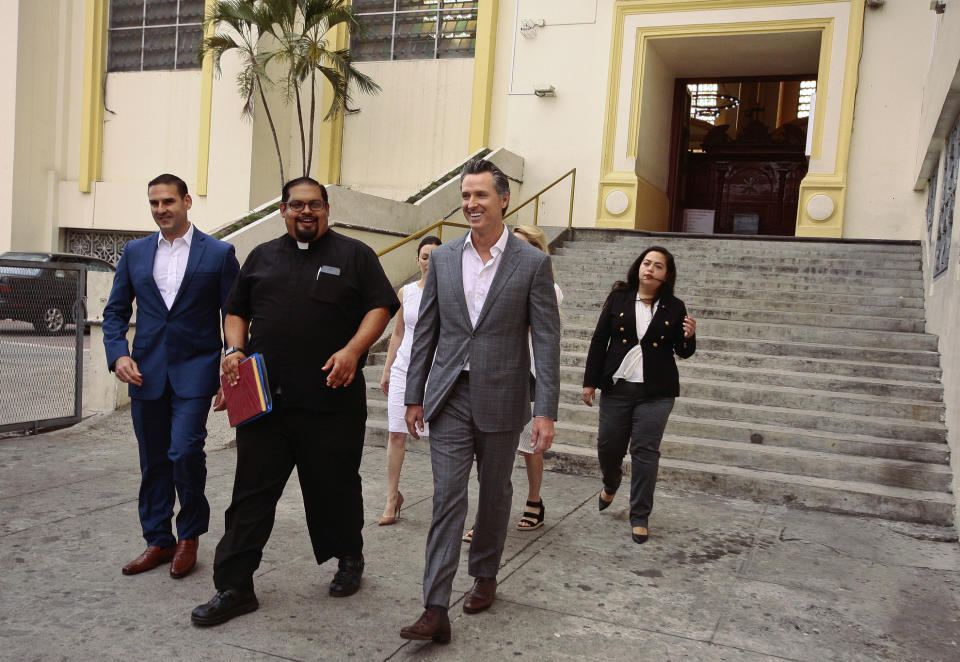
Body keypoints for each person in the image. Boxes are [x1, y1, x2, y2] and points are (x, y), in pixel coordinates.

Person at [190, 177, 399, 627]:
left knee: (335, 487)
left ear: (327, 209)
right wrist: (234, 350)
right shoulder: (262, 256)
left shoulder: (355, 255)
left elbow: (381, 306)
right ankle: (235, 586)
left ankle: (349, 558)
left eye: (315, 205)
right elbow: (235, 312)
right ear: (282, 211)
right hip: (266, 404)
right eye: (297, 205)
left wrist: (353, 350)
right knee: (250, 495)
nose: (306, 212)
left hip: (331, 401)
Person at [399, 159, 561, 644]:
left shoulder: (531, 263)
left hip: (505, 394)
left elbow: (547, 340)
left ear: (504, 200)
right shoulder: (445, 259)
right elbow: (425, 329)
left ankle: (485, 573)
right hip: (449, 395)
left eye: (481, 196)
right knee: (448, 497)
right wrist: (413, 395)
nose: (471, 204)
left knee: (494, 495)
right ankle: (434, 607)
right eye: (466, 196)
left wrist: (546, 409)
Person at [103, 173, 239, 579]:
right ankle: (158, 540)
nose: (161, 210)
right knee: (154, 460)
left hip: (196, 371)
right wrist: (118, 356)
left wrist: (232, 373)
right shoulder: (135, 252)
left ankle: (190, 535)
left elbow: (234, 315)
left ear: (187, 202)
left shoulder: (218, 254)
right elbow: (114, 312)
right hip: (145, 371)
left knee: (183, 452)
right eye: (154, 203)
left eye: (168, 202)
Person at [581, 246, 696, 545]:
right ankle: (612, 481)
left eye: (658, 266)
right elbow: (599, 340)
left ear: (666, 275)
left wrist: (689, 336)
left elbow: (683, 352)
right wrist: (589, 382)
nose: (651, 269)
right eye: (647, 263)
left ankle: (640, 514)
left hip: (656, 393)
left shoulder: (675, 306)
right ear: (639, 267)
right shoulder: (619, 298)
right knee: (608, 446)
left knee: (645, 452)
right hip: (618, 389)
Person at [462, 225, 561, 543]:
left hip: (526, 373)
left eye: (521, 248)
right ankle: (486, 516)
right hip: (493, 374)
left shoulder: (547, 286)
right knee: (490, 452)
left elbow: (540, 333)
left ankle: (534, 500)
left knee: (529, 445)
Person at [378, 235, 442, 526]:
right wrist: (388, 368)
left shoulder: (452, 292)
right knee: (395, 433)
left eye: (436, 256)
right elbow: (399, 333)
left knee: (439, 439)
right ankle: (392, 496)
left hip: (437, 372)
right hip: (405, 368)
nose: (429, 261)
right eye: (425, 255)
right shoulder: (406, 293)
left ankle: (444, 498)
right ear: (418, 259)